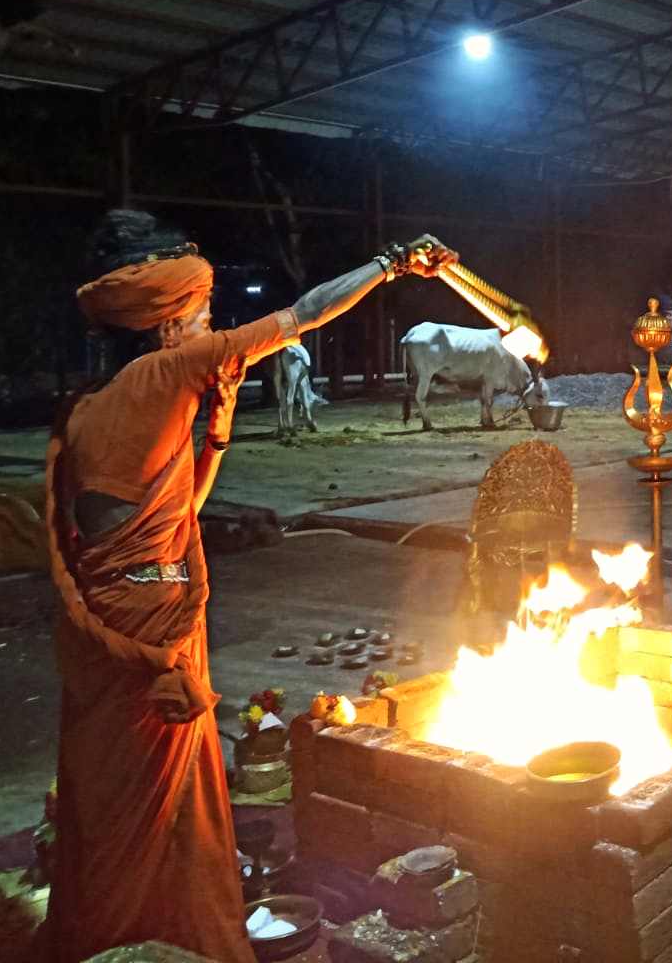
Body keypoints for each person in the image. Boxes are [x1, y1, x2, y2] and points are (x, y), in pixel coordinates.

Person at [41, 211, 457, 962]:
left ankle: (131, 924)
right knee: (159, 790)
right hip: (150, 620)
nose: (211, 324)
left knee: (111, 792)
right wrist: (391, 263)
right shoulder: (166, 372)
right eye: (202, 312)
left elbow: (171, 507)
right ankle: (148, 933)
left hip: (107, 615)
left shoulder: (89, 401)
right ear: (169, 320)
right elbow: (304, 315)